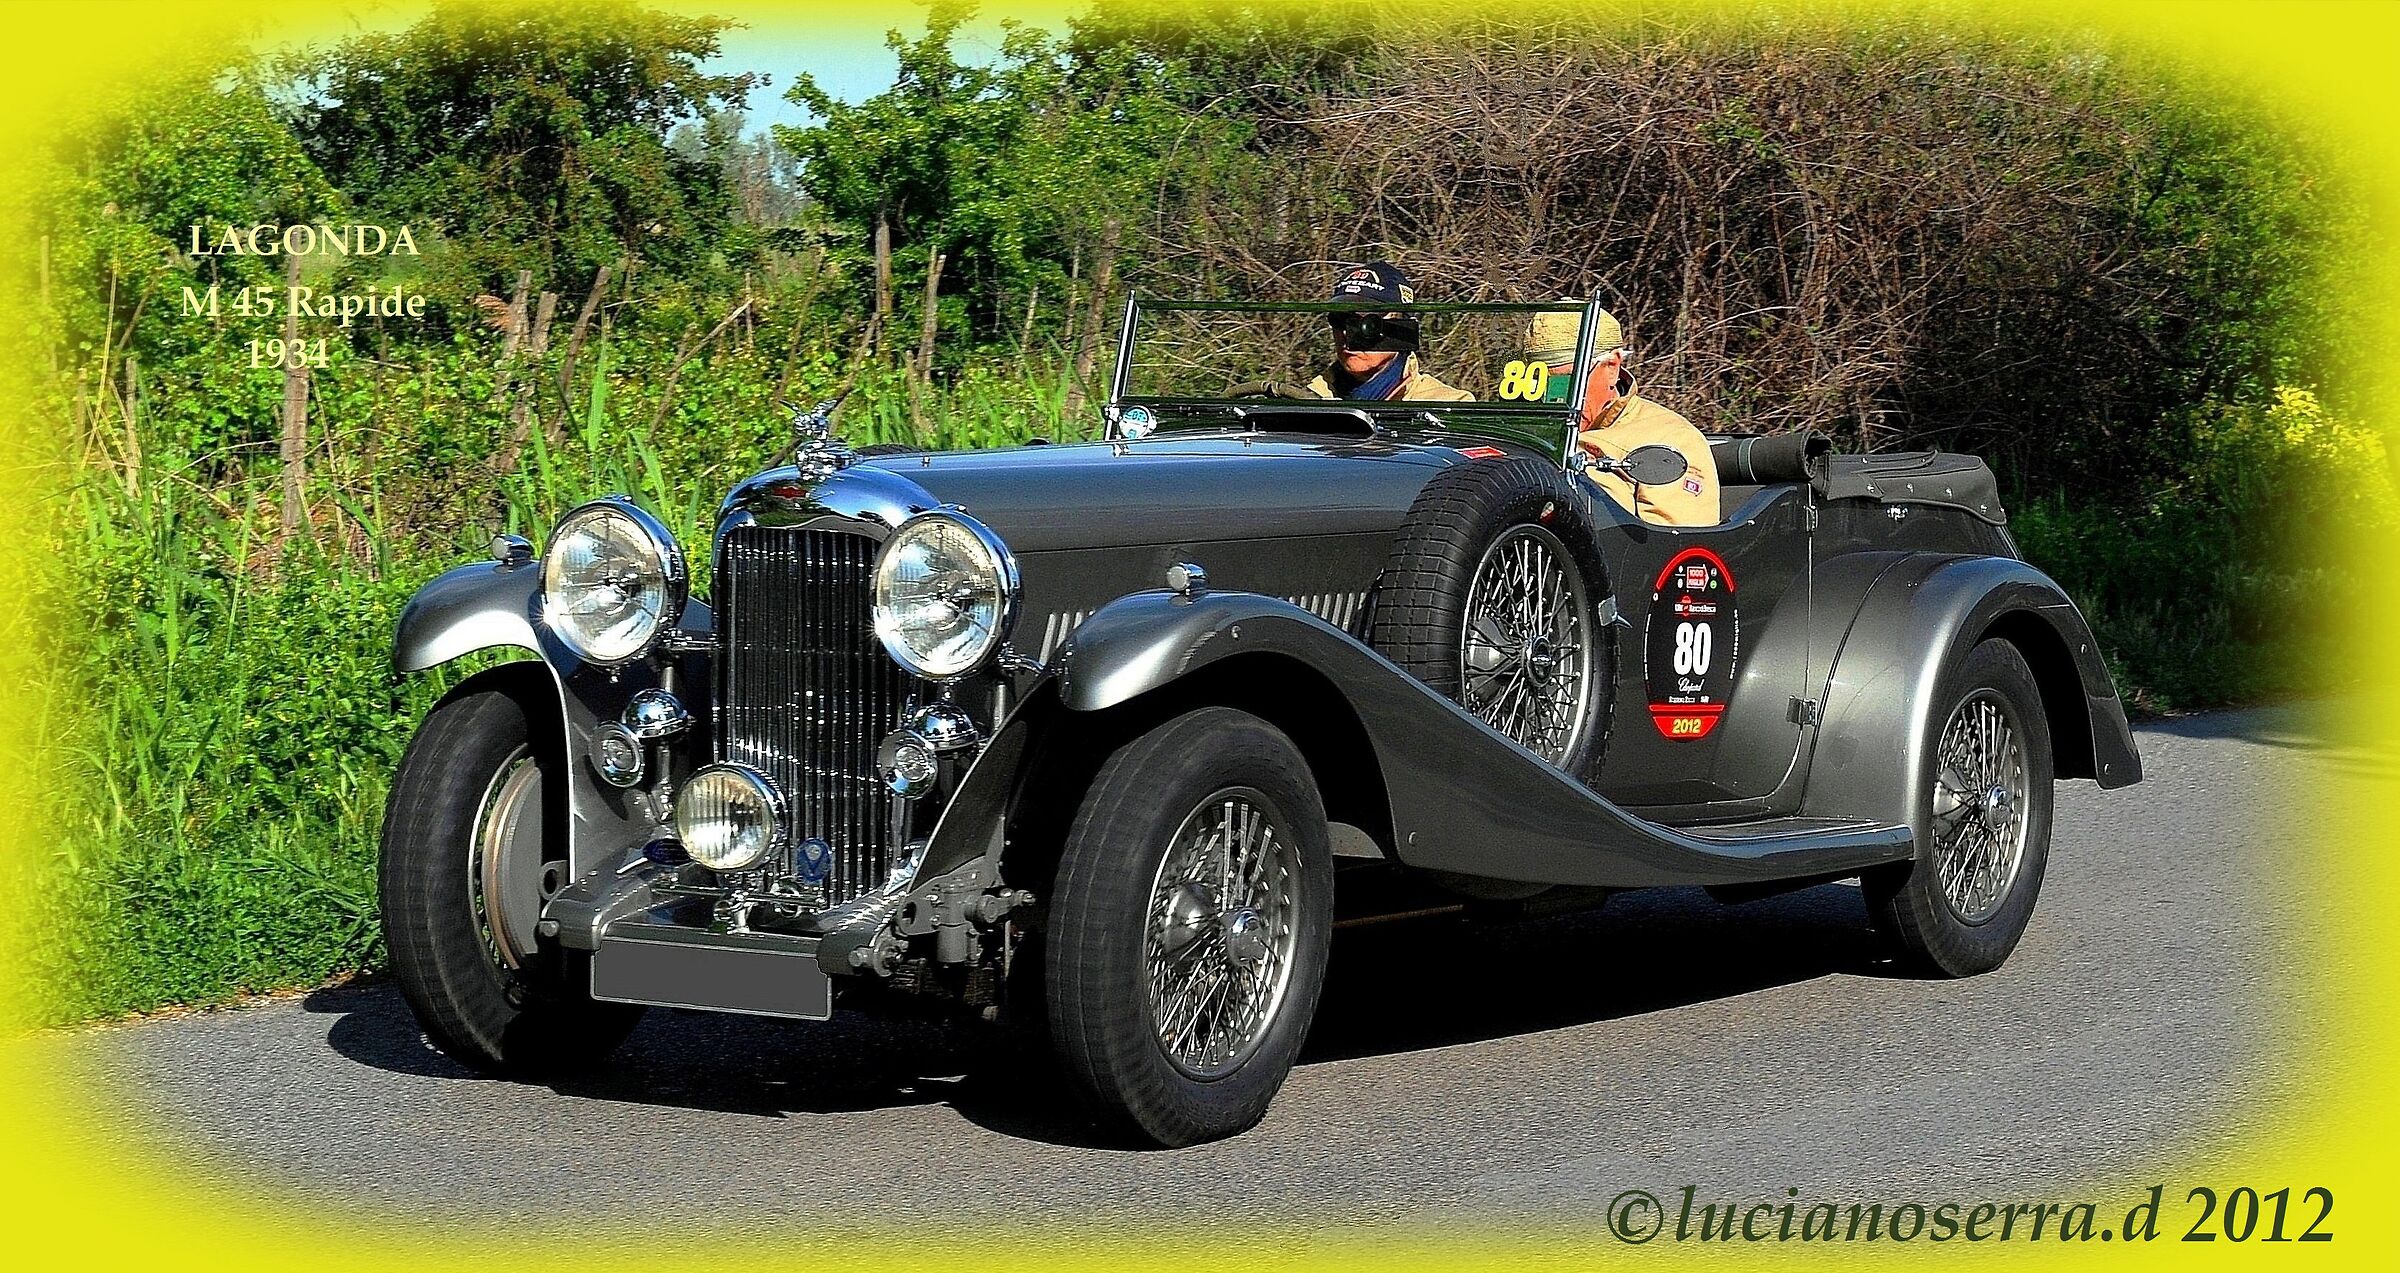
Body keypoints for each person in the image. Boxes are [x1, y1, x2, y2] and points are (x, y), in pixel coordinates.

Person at [1524, 304, 1719, 526]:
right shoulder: (1516, 430)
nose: (1550, 398)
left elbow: (1673, 548)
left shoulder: (1671, 438)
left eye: (1564, 383)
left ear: (1612, 367)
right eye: (1534, 383)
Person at [1304, 262, 1473, 402]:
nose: (1348, 334)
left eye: (1367, 323)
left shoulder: (1450, 406)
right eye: (1338, 320)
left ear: (1402, 328)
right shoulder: (1306, 402)